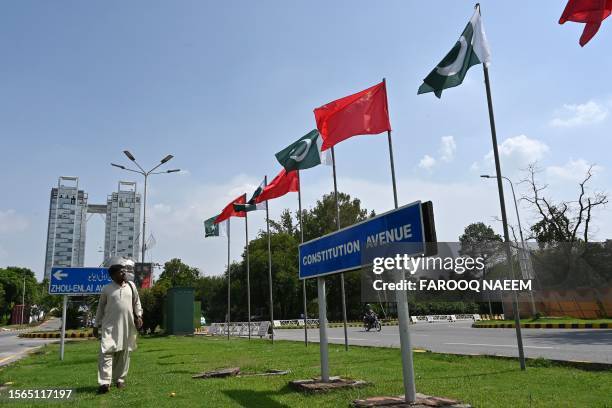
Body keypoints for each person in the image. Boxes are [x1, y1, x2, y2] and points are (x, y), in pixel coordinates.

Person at [94, 257, 143, 394]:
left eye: (125, 271)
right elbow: (100, 308)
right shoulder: (107, 289)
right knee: (106, 353)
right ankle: (104, 383)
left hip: (127, 326)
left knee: (123, 354)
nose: (124, 273)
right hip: (109, 326)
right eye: (121, 272)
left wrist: (139, 316)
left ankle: (120, 380)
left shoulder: (132, 286)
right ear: (113, 275)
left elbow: (137, 303)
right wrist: (96, 324)